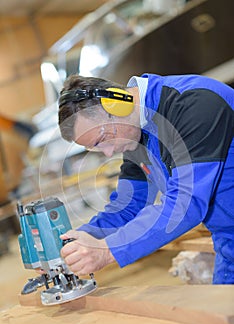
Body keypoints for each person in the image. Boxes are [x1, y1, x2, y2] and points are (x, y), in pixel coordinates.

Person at [58, 73, 234, 284]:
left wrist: (106, 251)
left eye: (103, 139)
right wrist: (76, 242)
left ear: (116, 103)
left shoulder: (194, 104)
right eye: (95, 148)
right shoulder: (137, 136)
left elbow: (185, 203)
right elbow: (129, 205)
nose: (107, 153)